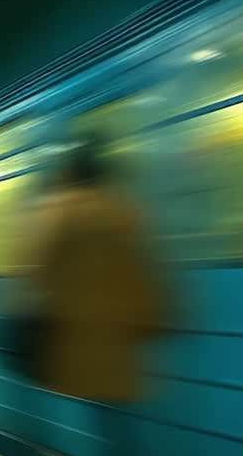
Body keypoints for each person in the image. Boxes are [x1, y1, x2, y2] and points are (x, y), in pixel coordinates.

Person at [17, 139, 165, 408]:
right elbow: (144, 272)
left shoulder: (62, 211)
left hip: (75, 337)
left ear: (73, 174)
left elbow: (41, 269)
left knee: (79, 402)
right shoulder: (124, 211)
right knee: (114, 412)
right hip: (119, 336)